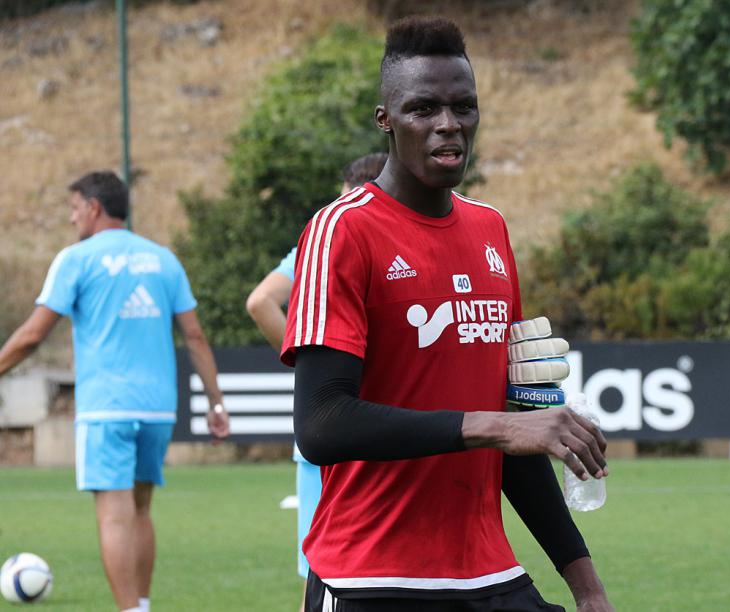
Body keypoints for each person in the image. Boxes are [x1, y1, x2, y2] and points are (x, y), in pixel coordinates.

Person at [281, 17, 613, 612]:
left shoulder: (491, 229)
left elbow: (513, 435)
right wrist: (500, 425)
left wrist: (587, 588)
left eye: (464, 107)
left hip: (488, 573)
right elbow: (322, 424)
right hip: (371, 579)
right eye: (423, 109)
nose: (448, 125)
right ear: (385, 118)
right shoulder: (343, 230)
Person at [0, 171, 229, 612]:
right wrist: (216, 402)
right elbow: (195, 337)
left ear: (93, 207)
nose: (71, 220)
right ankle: (140, 604)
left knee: (114, 513)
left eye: (73, 208)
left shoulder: (77, 259)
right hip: (158, 409)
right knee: (141, 510)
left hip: (107, 409)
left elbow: (32, 336)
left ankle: (130, 611)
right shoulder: (163, 259)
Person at [245, 152, 387, 612]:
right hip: (397, 425)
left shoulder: (326, 237)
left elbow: (260, 302)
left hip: (331, 422)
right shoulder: (406, 234)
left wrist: (311, 364)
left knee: (324, 570)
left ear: (352, 189)